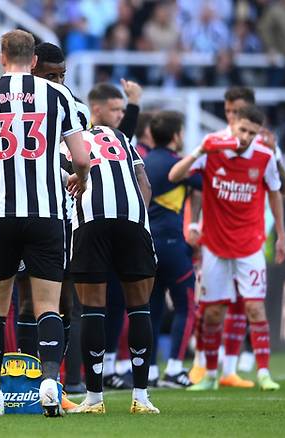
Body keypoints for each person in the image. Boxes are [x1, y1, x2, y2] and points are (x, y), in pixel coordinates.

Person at [0, 30, 89, 417]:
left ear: (2, 57)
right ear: (34, 60)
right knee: (49, 305)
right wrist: (79, 179)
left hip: (1, 214)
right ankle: (49, 382)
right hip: (46, 213)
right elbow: (81, 157)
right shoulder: (59, 95)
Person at [169, 105, 285, 392]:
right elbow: (174, 176)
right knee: (212, 314)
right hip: (215, 245)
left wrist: (281, 236)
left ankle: (264, 373)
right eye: (243, 130)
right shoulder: (213, 149)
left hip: (249, 245)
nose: (246, 137)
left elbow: (276, 194)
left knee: (255, 308)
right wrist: (199, 152)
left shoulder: (264, 156)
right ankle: (210, 374)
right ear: (232, 125)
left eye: (252, 133)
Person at [64, 125, 158, 414]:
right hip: (133, 215)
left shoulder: (62, 138)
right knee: (139, 307)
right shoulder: (119, 136)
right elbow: (144, 180)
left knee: (92, 309)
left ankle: (94, 398)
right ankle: (141, 398)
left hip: (90, 219)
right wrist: (138, 216)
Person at [86, 81, 144, 391]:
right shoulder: (80, 132)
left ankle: (102, 371)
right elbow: (143, 184)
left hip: (97, 228)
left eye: (124, 110)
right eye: (116, 109)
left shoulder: (117, 139)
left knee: (112, 302)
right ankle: (83, 374)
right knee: (93, 304)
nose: (121, 116)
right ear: (96, 109)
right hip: (103, 225)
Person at [143, 111, 200, 388]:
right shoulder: (180, 166)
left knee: (150, 310)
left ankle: (150, 370)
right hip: (173, 246)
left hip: (145, 246)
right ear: (177, 135)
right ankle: (176, 369)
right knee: (186, 306)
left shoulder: (142, 161)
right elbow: (203, 183)